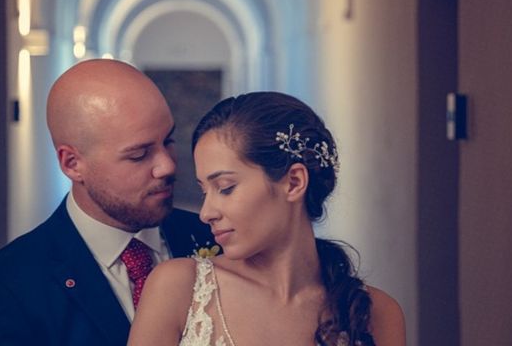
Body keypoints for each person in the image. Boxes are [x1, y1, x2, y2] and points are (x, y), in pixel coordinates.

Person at [0, 59, 213, 346]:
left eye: (168, 141)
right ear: (72, 164)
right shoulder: (3, 291)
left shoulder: (217, 240)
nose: (167, 166)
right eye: (138, 155)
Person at [128, 91, 406, 346]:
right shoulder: (177, 288)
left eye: (225, 188)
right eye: (204, 191)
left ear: (294, 182)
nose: (206, 213)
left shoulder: (377, 314)